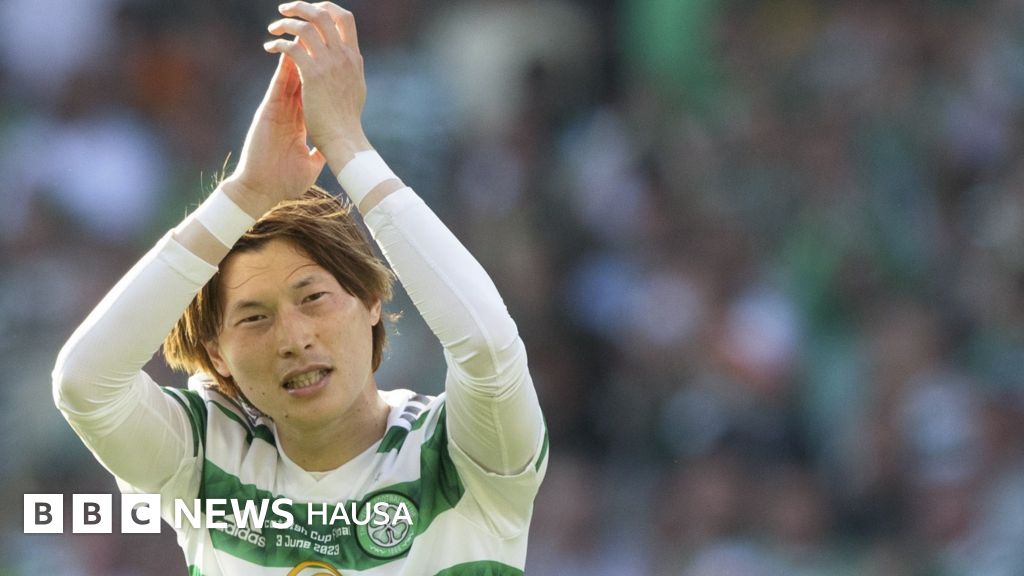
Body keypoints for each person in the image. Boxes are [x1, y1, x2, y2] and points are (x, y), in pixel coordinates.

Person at [52, 2, 548, 574]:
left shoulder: (466, 453)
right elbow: (85, 385)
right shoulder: (204, 457)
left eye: (313, 298)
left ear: (371, 301)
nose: (293, 338)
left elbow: (488, 347)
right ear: (217, 354)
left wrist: (349, 147)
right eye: (254, 317)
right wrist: (245, 193)